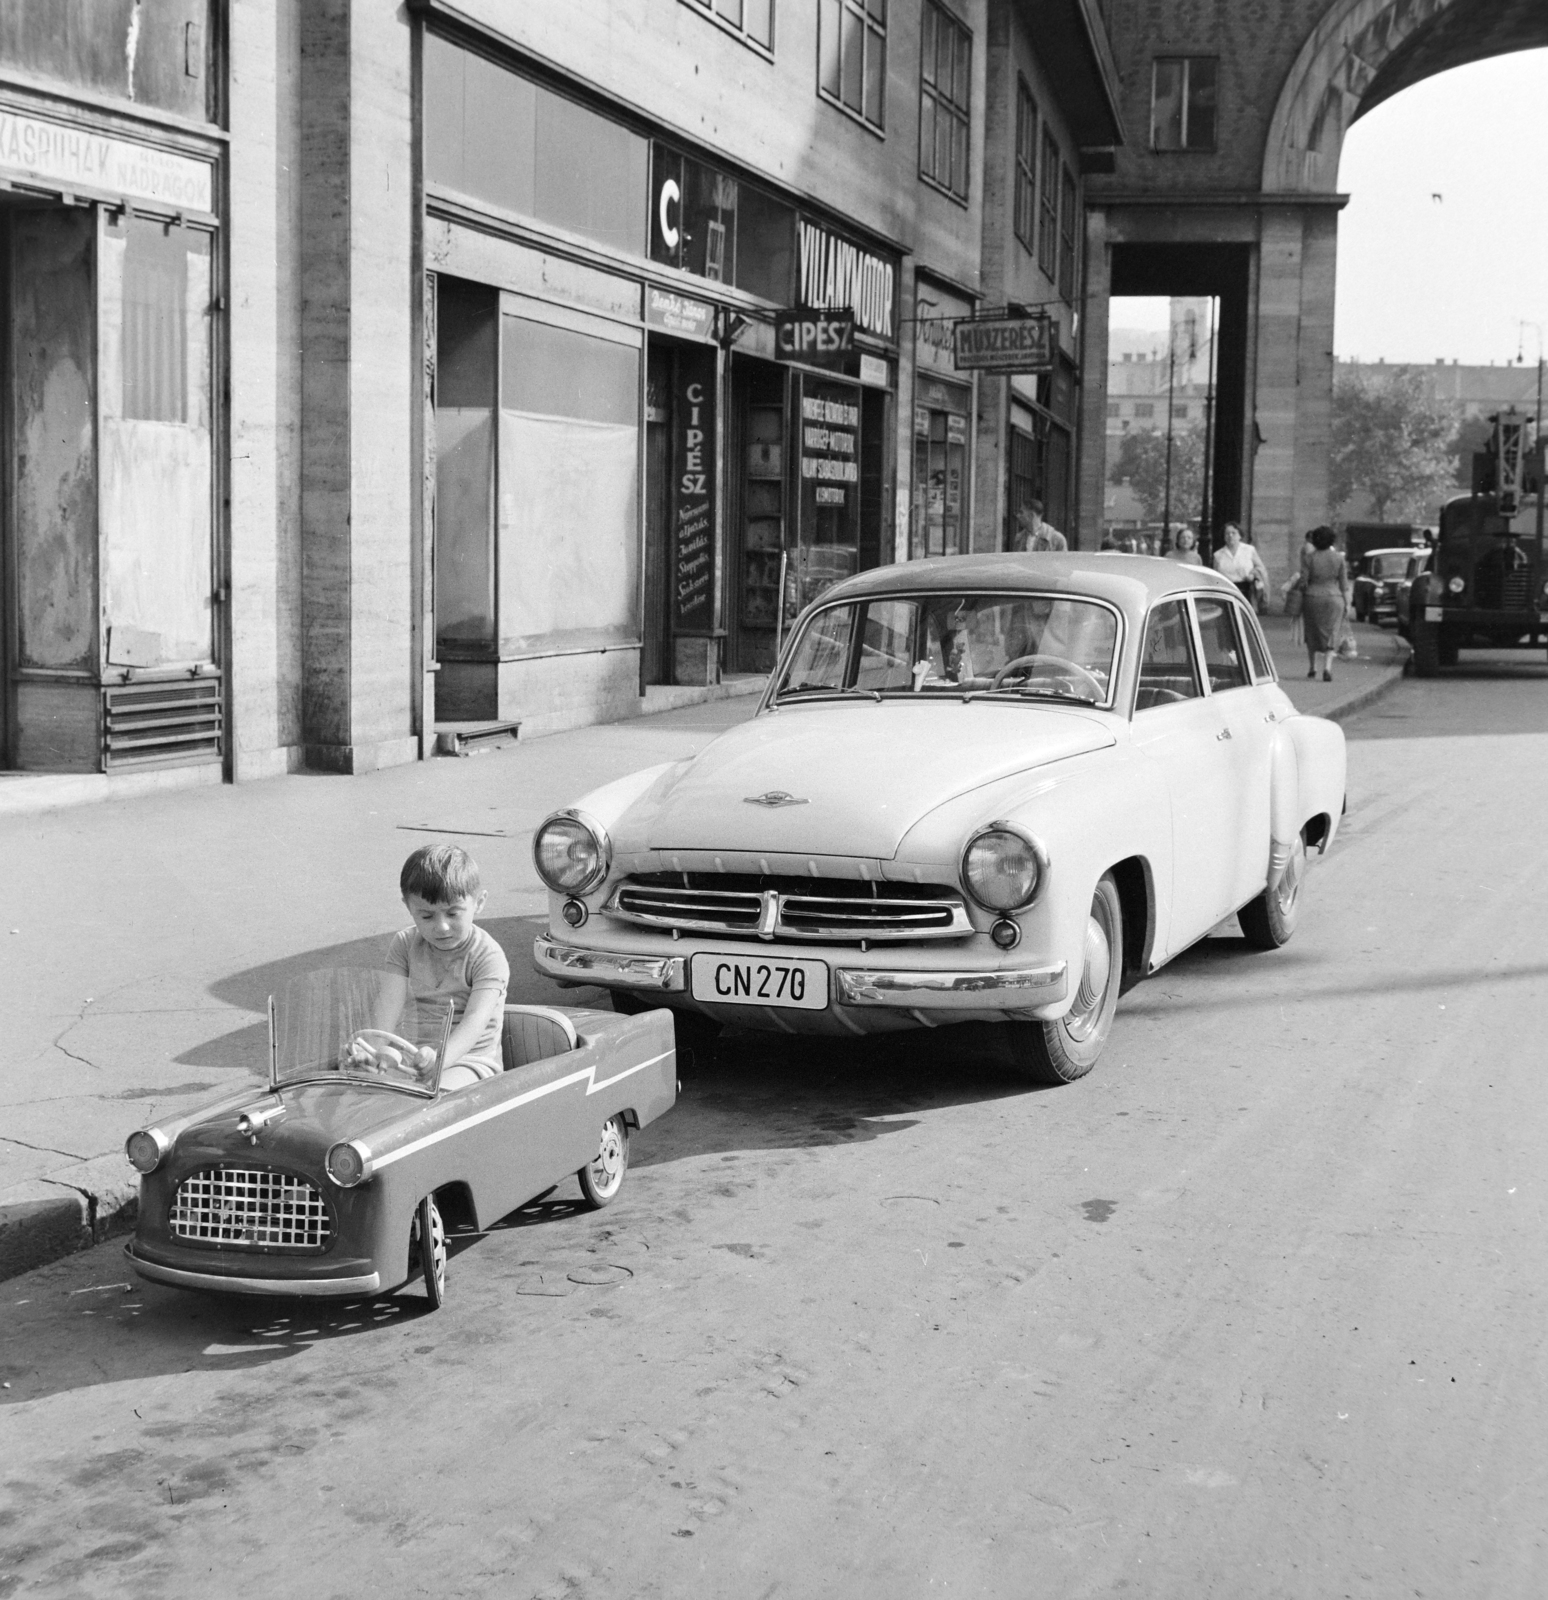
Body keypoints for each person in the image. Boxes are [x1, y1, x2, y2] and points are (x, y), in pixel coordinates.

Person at [373, 844, 510, 1091]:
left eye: (453, 914)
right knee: (356, 1089)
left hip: (467, 1061)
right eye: (426, 916)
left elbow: (475, 1021)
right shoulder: (404, 944)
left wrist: (440, 1059)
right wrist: (375, 1048)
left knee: (428, 1100)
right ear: (408, 906)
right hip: (410, 1054)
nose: (442, 926)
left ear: (479, 902)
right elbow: (388, 1004)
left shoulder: (488, 956)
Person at [1300, 524, 1350, 682]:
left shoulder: (1309, 558)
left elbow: (1303, 582)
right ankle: (1327, 668)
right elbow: (1344, 585)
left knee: (1311, 632)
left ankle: (1312, 668)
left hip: (1312, 598)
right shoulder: (1339, 558)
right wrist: (1347, 604)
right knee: (1332, 632)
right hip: (1334, 598)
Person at [1212, 522, 1269, 603]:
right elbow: (1215, 577)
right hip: (1227, 592)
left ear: (1240, 535)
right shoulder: (1218, 555)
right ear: (1224, 537)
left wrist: (1252, 574)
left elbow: (1260, 567)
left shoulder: (1249, 550)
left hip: (1246, 590)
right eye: (1227, 533)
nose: (1230, 536)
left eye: (1233, 533)